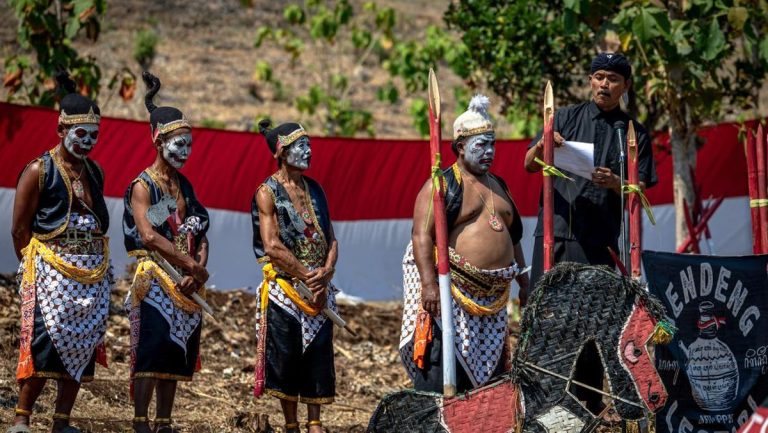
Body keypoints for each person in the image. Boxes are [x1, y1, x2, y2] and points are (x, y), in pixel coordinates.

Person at [399, 95, 528, 393]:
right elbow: (421, 236)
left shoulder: (500, 185)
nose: (489, 152)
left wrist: (525, 282)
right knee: (443, 370)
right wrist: (429, 285)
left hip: (494, 298)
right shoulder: (440, 185)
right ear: (460, 148)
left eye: (492, 144)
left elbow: (514, 237)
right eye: (480, 145)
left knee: (491, 381)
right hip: (451, 293)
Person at [9, 73, 112, 433]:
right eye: (81, 134)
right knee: (43, 343)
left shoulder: (95, 172)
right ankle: (22, 418)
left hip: (91, 278)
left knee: (82, 346)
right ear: (61, 130)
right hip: (50, 276)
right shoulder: (39, 170)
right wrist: (38, 272)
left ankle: (62, 422)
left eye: (94, 136)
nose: (88, 142)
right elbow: (20, 230)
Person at [123, 72, 210, 433]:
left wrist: (198, 267)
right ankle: (141, 422)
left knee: (175, 349)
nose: (185, 152)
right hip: (156, 278)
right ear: (159, 142)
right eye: (178, 145)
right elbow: (149, 235)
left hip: (185, 284)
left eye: (189, 145)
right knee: (153, 348)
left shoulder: (183, 187)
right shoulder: (143, 186)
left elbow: (197, 229)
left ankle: (164, 422)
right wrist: (188, 263)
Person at [523, 52, 657, 286]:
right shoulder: (564, 117)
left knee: (590, 316)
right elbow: (529, 165)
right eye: (599, 77)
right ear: (590, 80)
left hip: (600, 240)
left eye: (613, 79)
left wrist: (617, 182)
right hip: (555, 232)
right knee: (544, 311)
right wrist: (543, 145)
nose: (604, 84)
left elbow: (640, 191)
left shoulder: (634, 133)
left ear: (626, 85)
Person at [251, 120, 338, 433]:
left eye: (309, 144)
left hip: (318, 288)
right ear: (281, 151)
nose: (308, 151)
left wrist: (326, 272)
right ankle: (291, 424)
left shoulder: (315, 189)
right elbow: (272, 245)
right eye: (301, 146)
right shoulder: (267, 192)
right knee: (286, 355)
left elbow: (331, 237)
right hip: (286, 288)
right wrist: (306, 275)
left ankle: (314, 421)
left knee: (317, 353)